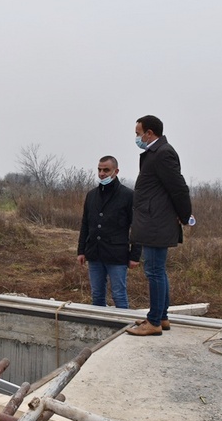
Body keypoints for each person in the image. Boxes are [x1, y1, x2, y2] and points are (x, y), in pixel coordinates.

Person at [127, 115, 192, 336]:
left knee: (154, 272)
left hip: (156, 222)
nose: (137, 137)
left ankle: (154, 322)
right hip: (154, 219)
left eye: (138, 133)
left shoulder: (163, 153)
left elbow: (179, 188)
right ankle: (161, 317)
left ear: (150, 133)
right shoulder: (156, 153)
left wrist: (185, 216)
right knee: (158, 271)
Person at [77, 156, 141, 309]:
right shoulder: (91, 195)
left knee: (119, 294)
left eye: (106, 170)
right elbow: (85, 223)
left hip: (116, 254)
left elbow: (137, 227)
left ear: (116, 171)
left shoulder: (128, 195)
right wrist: (81, 251)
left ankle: (124, 326)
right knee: (97, 294)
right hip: (94, 253)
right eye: (99, 170)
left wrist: (135, 255)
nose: (102, 173)